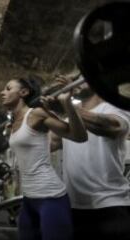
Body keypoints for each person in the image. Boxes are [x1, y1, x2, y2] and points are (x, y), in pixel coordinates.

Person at [0, 76, 87, 240]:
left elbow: (79, 136)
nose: (2, 92)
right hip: (28, 199)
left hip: (51, 198)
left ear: (23, 92)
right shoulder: (13, 123)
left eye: (8, 88)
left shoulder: (37, 114)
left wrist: (67, 104)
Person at [50, 76, 130, 240]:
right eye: (74, 80)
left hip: (110, 205)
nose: (74, 84)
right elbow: (49, 144)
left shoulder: (115, 108)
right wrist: (32, 116)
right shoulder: (68, 117)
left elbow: (110, 127)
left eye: (81, 79)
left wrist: (67, 107)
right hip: (75, 207)